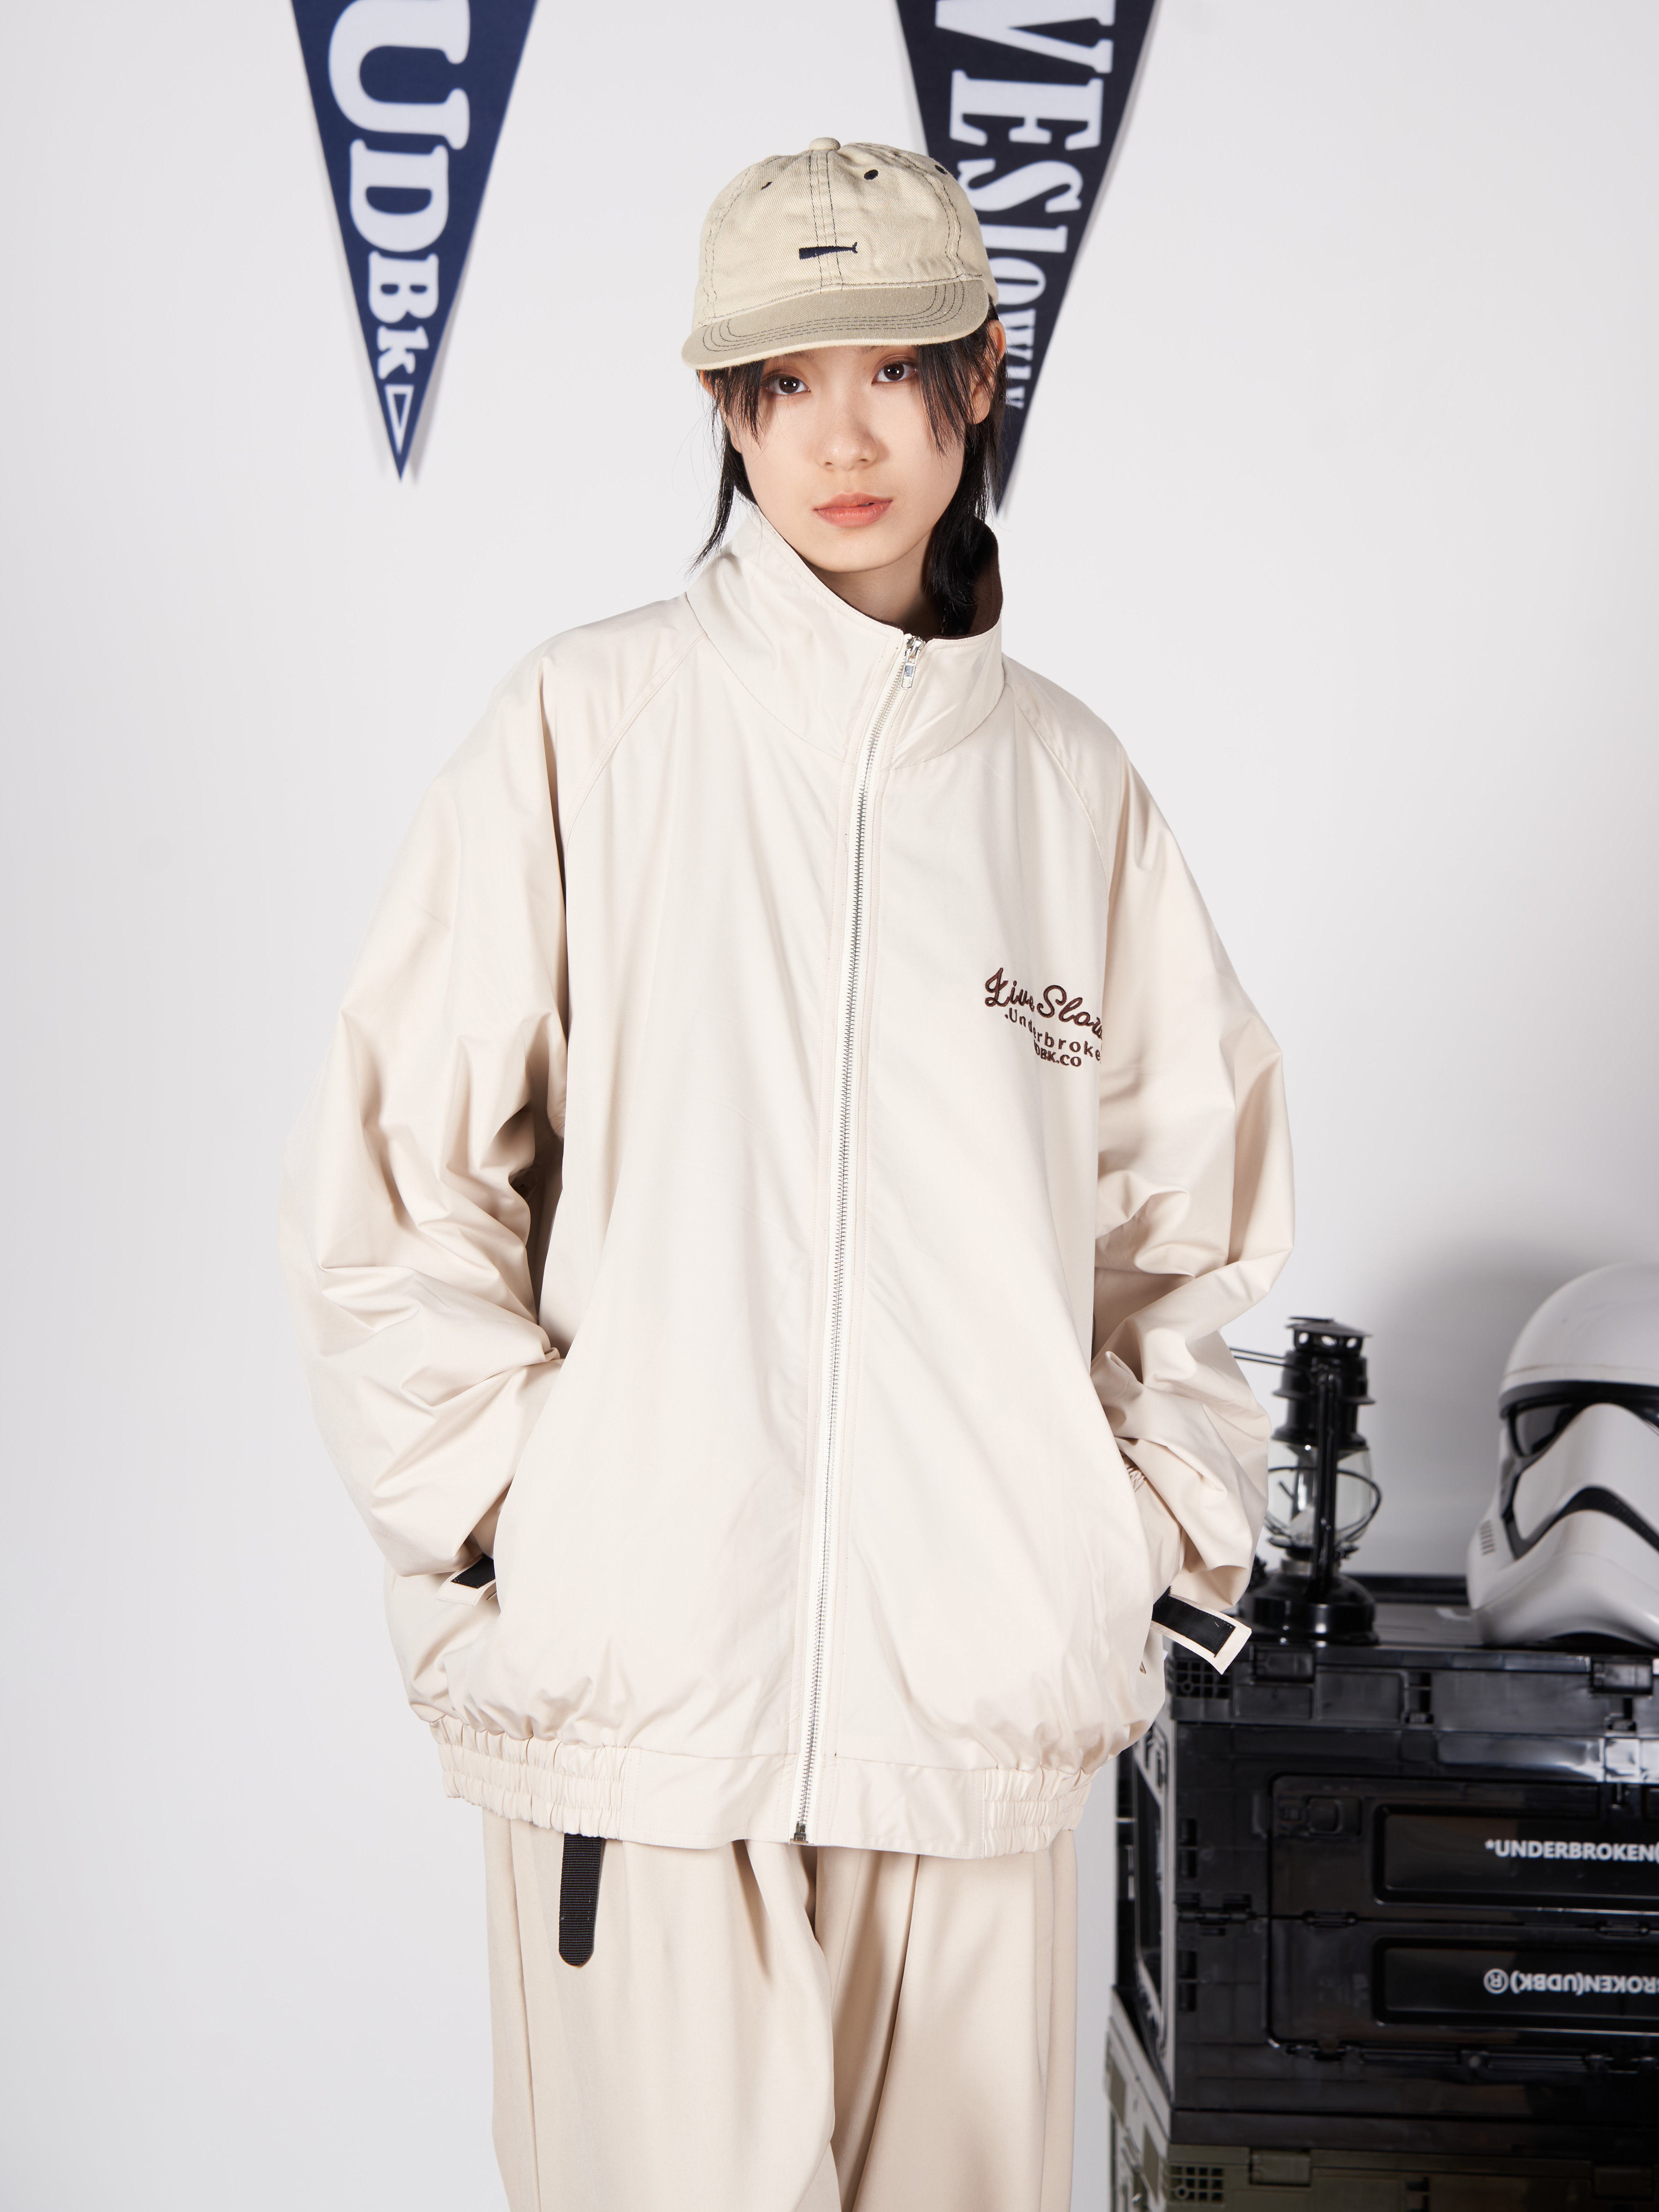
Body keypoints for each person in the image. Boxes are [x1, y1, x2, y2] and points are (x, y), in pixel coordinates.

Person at [280, 138, 1293, 2212]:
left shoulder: (1069, 789)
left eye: (892, 371)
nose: (842, 437)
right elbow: (394, 1181)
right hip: (643, 1720)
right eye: (787, 381)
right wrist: (527, 1519)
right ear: (724, 408)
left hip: (978, 1730)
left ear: (978, 377)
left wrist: (1127, 1543)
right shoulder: (588, 726)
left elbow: (1192, 1227)